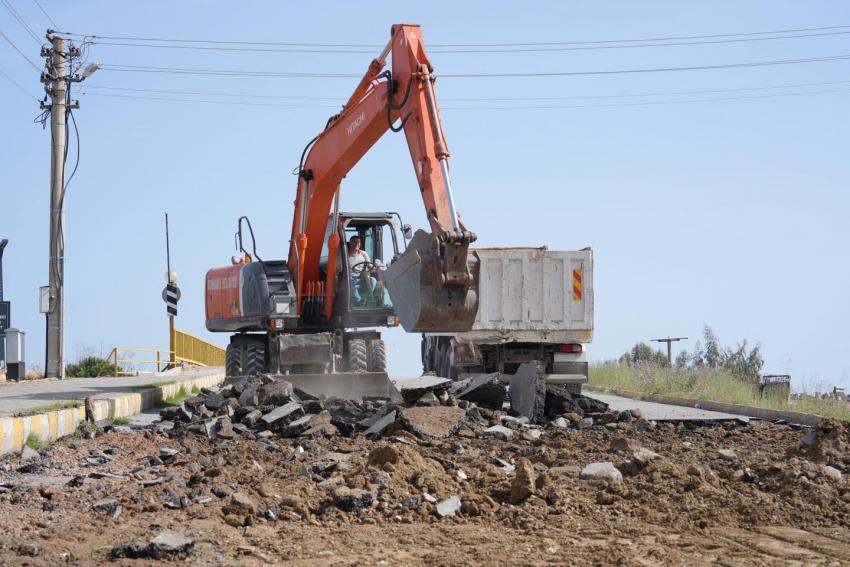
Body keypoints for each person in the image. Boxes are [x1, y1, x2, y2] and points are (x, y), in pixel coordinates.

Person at [347, 235, 376, 305]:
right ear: (350, 243)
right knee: (349, 282)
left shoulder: (363, 254)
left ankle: (366, 299)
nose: (357, 244)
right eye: (354, 242)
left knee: (373, 280)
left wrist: (374, 268)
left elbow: (370, 265)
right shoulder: (346, 255)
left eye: (358, 242)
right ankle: (358, 301)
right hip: (351, 278)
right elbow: (339, 268)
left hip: (362, 278)